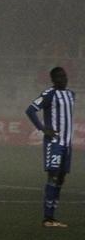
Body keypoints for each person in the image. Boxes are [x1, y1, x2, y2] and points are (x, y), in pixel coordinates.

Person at [25, 66, 75, 228]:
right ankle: (48, 218)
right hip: (54, 143)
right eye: (60, 77)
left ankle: (52, 216)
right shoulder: (49, 94)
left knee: (61, 178)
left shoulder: (71, 95)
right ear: (53, 80)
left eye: (65, 76)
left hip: (67, 144)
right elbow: (31, 110)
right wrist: (42, 128)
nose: (63, 79)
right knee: (53, 176)